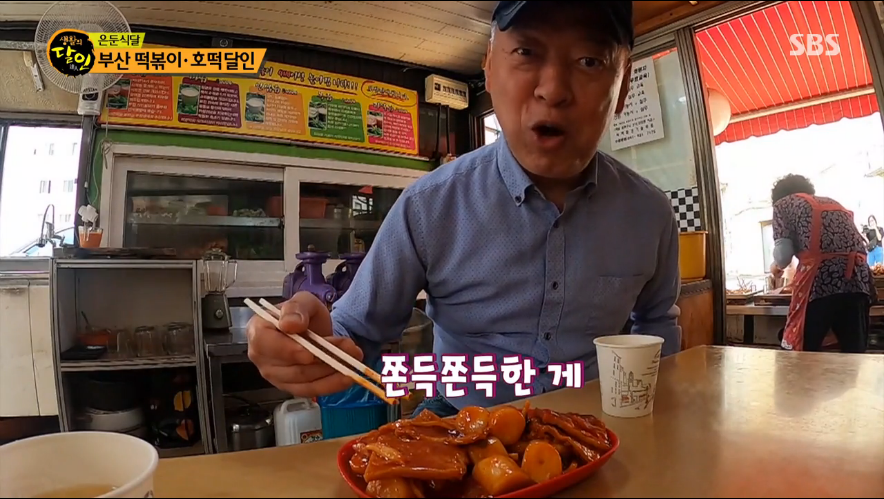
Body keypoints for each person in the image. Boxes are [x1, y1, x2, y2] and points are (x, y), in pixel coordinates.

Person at [247, 1, 682, 417]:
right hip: (462, 421)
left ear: (623, 85)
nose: (552, 90)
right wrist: (308, 344)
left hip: (597, 425)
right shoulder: (428, 206)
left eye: (589, 61)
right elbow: (354, 332)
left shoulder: (650, 214)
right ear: (489, 67)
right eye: (526, 52)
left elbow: (656, 323)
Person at [769, 174, 874, 353]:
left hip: (820, 283)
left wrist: (776, 266)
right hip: (857, 280)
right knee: (854, 354)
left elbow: (783, 256)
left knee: (799, 352)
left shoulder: (783, 205)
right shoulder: (832, 203)